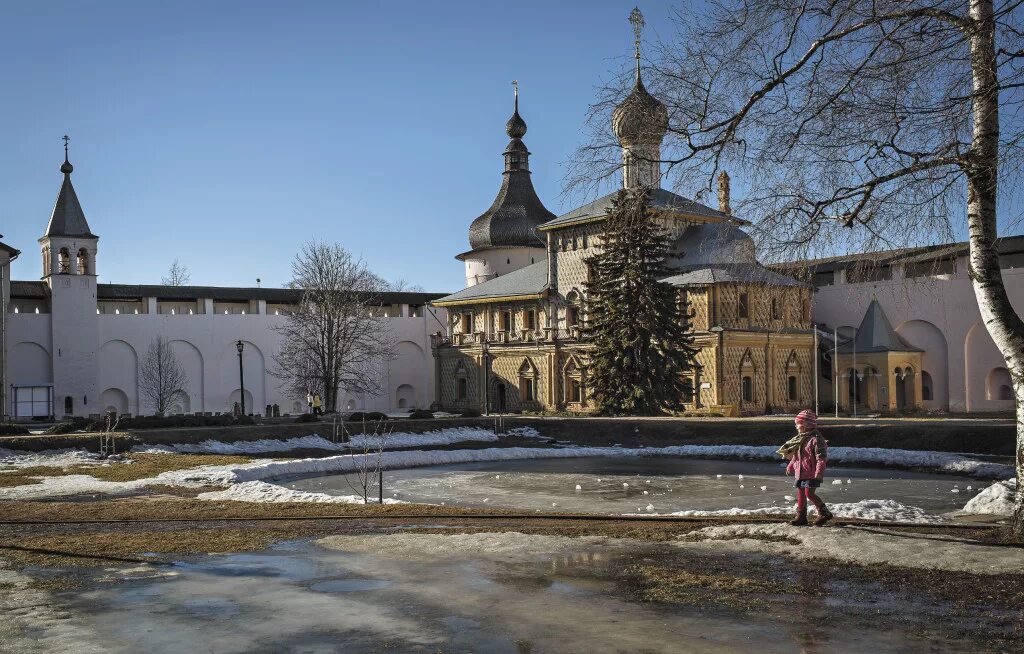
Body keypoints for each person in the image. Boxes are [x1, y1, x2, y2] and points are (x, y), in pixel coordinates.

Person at [783, 410, 834, 527]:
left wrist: (819, 472)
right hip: (800, 473)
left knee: (809, 494)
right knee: (800, 493)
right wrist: (790, 466)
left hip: (812, 473)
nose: (796, 426)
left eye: (798, 424)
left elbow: (821, 458)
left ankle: (824, 513)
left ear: (806, 425)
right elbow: (796, 456)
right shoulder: (800, 438)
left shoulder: (816, 439)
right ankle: (801, 517)